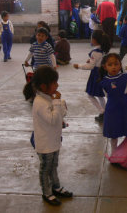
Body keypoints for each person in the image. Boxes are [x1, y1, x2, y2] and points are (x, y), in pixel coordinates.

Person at [23, 66, 73, 206]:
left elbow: (60, 116)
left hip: (54, 141)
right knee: (46, 169)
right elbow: (52, 120)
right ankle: (47, 193)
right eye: (54, 83)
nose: (57, 85)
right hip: (45, 144)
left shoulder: (49, 97)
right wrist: (58, 103)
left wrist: (61, 105)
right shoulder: (40, 102)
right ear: (44, 86)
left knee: (54, 166)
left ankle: (56, 187)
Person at [99, 53, 127, 154]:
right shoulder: (104, 82)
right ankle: (114, 153)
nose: (113, 67)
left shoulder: (126, 77)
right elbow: (107, 96)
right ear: (105, 67)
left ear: (120, 65)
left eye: (116, 64)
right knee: (113, 133)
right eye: (110, 65)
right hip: (112, 109)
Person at [73, 30, 111, 122]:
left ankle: (102, 111)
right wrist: (90, 60)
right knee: (100, 95)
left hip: (96, 75)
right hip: (102, 74)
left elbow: (91, 66)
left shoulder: (95, 52)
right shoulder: (103, 49)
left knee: (90, 95)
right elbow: (98, 61)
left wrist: (79, 66)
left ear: (94, 40)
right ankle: (105, 112)